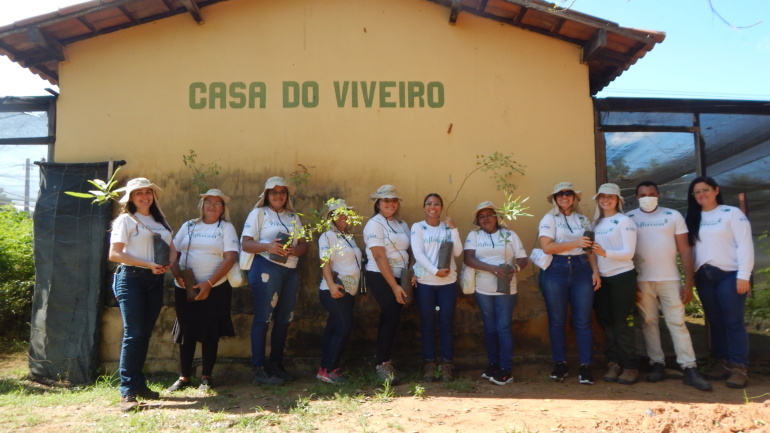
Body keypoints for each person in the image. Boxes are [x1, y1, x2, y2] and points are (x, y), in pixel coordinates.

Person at [627, 181, 711, 391]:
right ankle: (657, 363)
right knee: (648, 322)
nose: (648, 197)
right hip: (642, 280)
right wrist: (630, 283)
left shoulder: (673, 216)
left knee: (678, 323)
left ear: (659, 195)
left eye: (652, 194)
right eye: (643, 194)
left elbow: (684, 250)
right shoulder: (628, 219)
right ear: (636, 198)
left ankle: (689, 366)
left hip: (670, 279)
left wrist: (688, 282)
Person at [108, 178, 176, 411]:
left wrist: (167, 264)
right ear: (131, 197)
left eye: (148, 192)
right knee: (133, 334)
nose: (145, 196)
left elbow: (172, 249)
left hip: (156, 280)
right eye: (139, 193)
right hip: (131, 279)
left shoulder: (161, 221)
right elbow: (115, 254)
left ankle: (139, 384)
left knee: (144, 334)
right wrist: (148, 264)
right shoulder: (125, 220)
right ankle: (127, 392)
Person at [685, 176, 754, 389]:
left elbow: (745, 244)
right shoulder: (692, 217)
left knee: (733, 321)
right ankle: (722, 363)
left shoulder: (731, 213)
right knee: (715, 322)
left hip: (730, 275)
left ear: (716, 190)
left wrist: (744, 275)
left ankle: (739, 367)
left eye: (705, 189)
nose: (701, 194)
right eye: (697, 192)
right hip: (705, 276)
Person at [168, 189, 238, 392]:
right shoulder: (189, 225)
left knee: (210, 331)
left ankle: (206, 377)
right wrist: (177, 276)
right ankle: (184, 377)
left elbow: (230, 257)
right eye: (209, 202)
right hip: (185, 287)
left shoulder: (226, 228)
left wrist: (209, 283)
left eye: (217, 203)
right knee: (186, 330)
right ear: (202, 205)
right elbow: (173, 251)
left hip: (215, 287)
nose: (212, 206)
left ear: (223, 208)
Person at [241, 176, 308, 386]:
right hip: (265, 267)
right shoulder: (258, 213)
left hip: (290, 270)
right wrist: (268, 247)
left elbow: (304, 244)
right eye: (274, 192)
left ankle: (276, 364)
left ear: (287, 195)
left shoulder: (293, 217)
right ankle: (259, 368)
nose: (278, 195)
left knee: (284, 318)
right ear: (267, 195)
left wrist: (294, 250)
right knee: (263, 317)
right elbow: (246, 244)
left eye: (282, 192)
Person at [537, 182, 600, 385]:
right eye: (560, 194)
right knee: (557, 319)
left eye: (568, 193)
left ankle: (586, 366)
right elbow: (546, 247)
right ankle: (560, 363)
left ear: (574, 197)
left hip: (582, 269)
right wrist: (574, 243)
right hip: (557, 269)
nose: (565, 197)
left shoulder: (583, 219)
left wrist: (595, 271)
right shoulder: (549, 219)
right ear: (555, 198)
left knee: (583, 320)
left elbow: (589, 248)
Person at [463, 201, 528, 386]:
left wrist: (514, 268)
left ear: (496, 217)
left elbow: (523, 259)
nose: (485, 218)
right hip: (482, 289)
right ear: (478, 221)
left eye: (489, 215)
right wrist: (491, 268)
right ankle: (493, 365)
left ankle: (506, 369)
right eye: (481, 216)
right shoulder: (474, 235)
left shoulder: (509, 235)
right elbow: (468, 258)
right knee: (490, 328)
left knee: (503, 328)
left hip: (506, 289)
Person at [411, 193, 463, 382]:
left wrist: (454, 230)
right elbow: (418, 253)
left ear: (441, 208)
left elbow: (457, 252)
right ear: (424, 207)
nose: (433, 207)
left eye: (437, 204)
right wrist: (434, 271)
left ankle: (447, 364)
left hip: (447, 284)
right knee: (427, 324)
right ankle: (430, 364)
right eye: (429, 204)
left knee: (446, 324)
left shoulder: (447, 228)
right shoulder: (418, 227)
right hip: (425, 284)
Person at [590, 183, 639, 385]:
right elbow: (590, 252)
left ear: (618, 200)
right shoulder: (595, 224)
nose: (606, 200)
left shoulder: (624, 221)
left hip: (622, 277)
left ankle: (630, 366)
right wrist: (596, 272)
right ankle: (614, 362)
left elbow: (629, 253)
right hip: (602, 278)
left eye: (611, 197)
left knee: (624, 321)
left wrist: (605, 253)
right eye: (602, 196)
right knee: (606, 321)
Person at [363, 184, 411, 383]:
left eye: (393, 200)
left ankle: (385, 362)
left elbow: (410, 251)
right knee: (391, 313)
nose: (390, 204)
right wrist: (394, 286)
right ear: (378, 203)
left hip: (402, 275)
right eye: (386, 200)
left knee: (392, 317)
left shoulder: (402, 225)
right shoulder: (374, 224)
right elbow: (379, 256)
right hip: (380, 275)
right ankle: (382, 365)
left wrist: (410, 276)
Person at [317, 199, 362, 385]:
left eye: (345, 213)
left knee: (335, 327)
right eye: (338, 213)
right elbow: (325, 262)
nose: (343, 216)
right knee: (344, 327)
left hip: (349, 290)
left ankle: (324, 369)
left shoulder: (348, 236)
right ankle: (330, 369)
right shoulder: (328, 236)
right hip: (334, 289)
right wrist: (331, 284)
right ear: (331, 217)